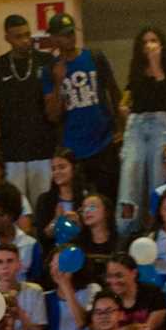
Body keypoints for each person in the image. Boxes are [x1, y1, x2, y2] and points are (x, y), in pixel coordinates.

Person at [42, 13, 122, 202]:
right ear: (54, 38)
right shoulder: (50, 70)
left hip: (103, 143)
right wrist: (58, 82)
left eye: (71, 32)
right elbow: (52, 115)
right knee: (78, 201)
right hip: (73, 150)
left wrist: (121, 128)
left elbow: (114, 91)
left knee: (108, 199)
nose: (69, 37)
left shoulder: (95, 57)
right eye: (63, 34)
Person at [0, 15, 59, 207]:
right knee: (15, 207)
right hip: (11, 152)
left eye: (27, 35)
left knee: (43, 204)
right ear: (7, 38)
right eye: (18, 37)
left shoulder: (46, 60)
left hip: (43, 148)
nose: (25, 41)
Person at [118, 27, 166, 235]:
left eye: (153, 41)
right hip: (136, 125)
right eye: (145, 42)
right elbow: (129, 99)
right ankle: (126, 230)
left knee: (159, 180)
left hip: (161, 125)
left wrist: (155, 63)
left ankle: (157, 230)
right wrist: (124, 110)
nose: (149, 46)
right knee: (130, 178)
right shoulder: (135, 71)